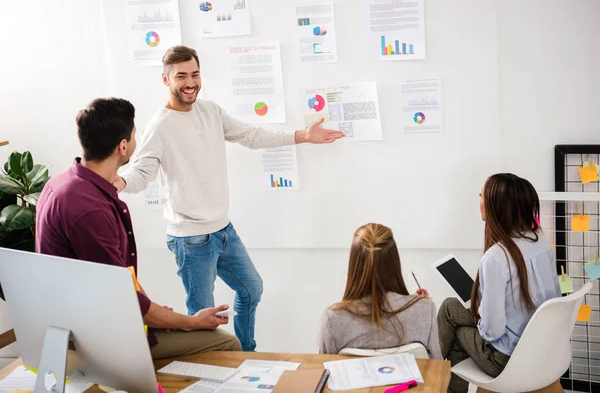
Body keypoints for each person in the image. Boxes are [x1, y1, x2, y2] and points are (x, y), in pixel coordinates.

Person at [113, 45, 345, 352]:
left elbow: (251, 135)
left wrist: (303, 135)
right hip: (191, 239)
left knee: (251, 289)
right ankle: (208, 372)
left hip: (223, 229)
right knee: (202, 317)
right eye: (181, 76)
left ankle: (244, 354)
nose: (190, 82)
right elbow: (142, 171)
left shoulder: (210, 111)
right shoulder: (159, 126)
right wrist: (119, 181)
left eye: (194, 74)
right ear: (165, 80)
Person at [36, 98, 241, 360]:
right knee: (226, 344)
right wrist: (188, 321)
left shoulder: (62, 183)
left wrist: (158, 314)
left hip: (87, 322)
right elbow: (122, 298)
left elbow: (119, 281)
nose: (136, 140)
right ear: (123, 146)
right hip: (99, 339)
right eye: (134, 135)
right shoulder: (91, 211)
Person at [437, 173, 561, 393]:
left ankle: (428, 372)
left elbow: (492, 331)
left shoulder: (496, 257)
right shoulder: (541, 242)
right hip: (542, 348)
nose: (479, 201)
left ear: (497, 206)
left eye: (481, 196)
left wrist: (481, 313)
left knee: (452, 321)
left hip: (506, 360)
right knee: (452, 309)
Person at [318, 223, 442, 359]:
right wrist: (418, 305)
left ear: (354, 263)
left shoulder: (332, 318)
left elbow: (326, 370)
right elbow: (437, 365)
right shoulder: (426, 309)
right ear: (394, 261)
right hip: (416, 381)